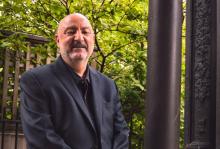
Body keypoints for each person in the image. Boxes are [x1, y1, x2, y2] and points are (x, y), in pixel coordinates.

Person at [20, 13, 129, 149]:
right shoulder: (35, 81)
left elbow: (121, 133)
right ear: (58, 40)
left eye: (85, 32)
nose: (79, 37)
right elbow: (43, 139)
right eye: (71, 32)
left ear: (93, 40)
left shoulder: (108, 85)